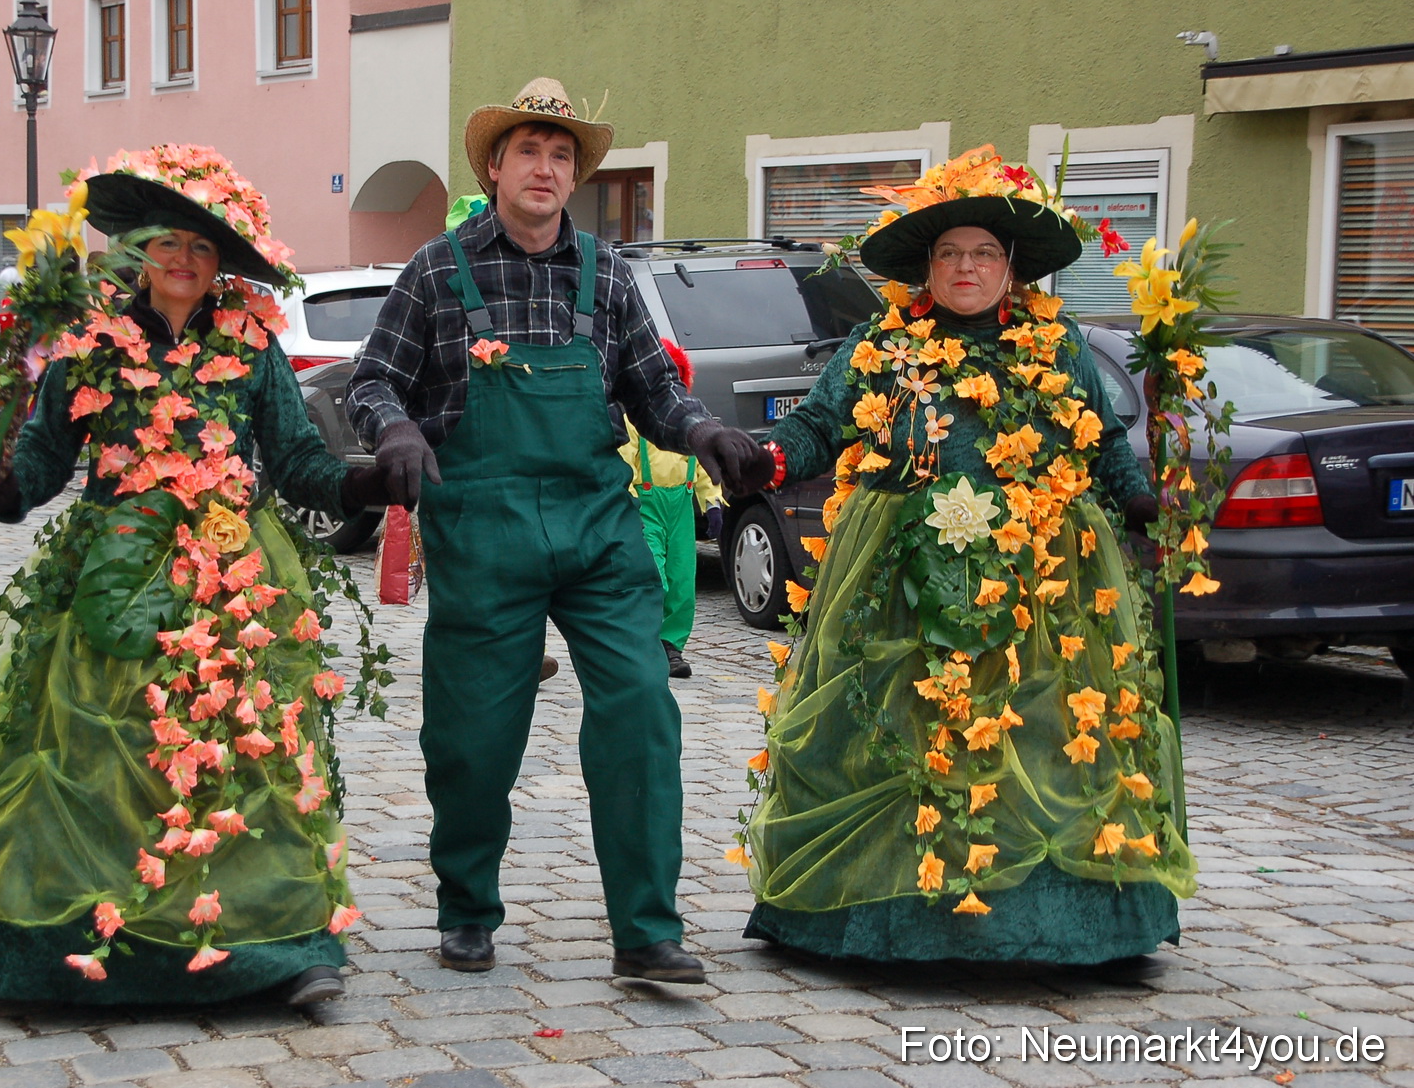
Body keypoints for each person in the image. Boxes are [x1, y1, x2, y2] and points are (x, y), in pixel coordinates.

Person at [0, 145, 395, 1007]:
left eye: (203, 250)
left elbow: (295, 462)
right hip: (110, 574)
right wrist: (5, 489)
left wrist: (362, 479)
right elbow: (43, 457)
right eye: (169, 244)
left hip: (229, 580)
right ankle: (61, 942)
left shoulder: (250, 349)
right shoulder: (90, 346)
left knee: (246, 757)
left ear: (219, 270)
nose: (184, 262)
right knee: (94, 756)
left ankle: (279, 947)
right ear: (139, 252)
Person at [348, 77, 772, 983]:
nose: (546, 167)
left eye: (562, 154)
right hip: (483, 529)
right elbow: (373, 378)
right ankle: (466, 908)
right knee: (471, 735)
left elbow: (655, 390)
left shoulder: (606, 275)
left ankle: (647, 932)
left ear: (574, 174)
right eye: (529, 151)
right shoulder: (436, 268)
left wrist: (703, 432)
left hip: (597, 531)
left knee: (640, 710)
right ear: (495, 166)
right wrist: (396, 429)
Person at [738, 146, 1195, 964]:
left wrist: (1141, 497)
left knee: (1048, 735)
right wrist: (768, 458)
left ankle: (1061, 922)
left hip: (1043, 577)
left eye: (984, 252)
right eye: (950, 253)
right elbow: (819, 424)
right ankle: (892, 915)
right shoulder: (886, 341)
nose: (966, 267)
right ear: (928, 266)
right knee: (899, 732)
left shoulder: (1055, 349)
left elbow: (1105, 448)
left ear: (1010, 266)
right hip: (902, 574)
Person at [618, 340, 722, 678]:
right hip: (647, 502)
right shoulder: (636, 420)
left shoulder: (694, 420)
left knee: (682, 579)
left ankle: (671, 645)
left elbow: (707, 464)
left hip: (681, 504)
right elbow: (624, 459)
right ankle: (645, 640)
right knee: (654, 574)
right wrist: (628, 497)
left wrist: (712, 500)